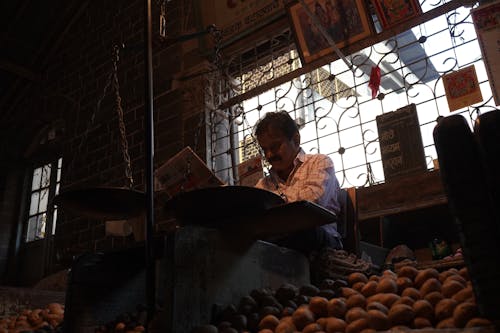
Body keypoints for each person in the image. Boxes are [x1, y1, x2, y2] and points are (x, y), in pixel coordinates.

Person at [253, 111, 343, 256]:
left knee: (304, 231)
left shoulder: (320, 162)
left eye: (275, 146)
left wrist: (272, 205)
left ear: (296, 139)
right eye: (265, 150)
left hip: (322, 242)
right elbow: (255, 215)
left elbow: (311, 203)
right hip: (279, 240)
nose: (269, 155)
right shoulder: (263, 184)